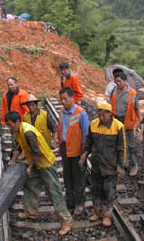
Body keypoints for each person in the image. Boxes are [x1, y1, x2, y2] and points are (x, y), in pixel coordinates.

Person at [6, 111, 73, 236]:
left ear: (17, 122)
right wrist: (12, 161)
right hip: (36, 163)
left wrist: (30, 167)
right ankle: (31, 211)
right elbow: (19, 147)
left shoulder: (28, 132)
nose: (10, 128)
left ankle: (66, 221)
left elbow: (36, 152)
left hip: (45, 163)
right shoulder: (18, 132)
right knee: (30, 185)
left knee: (54, 191)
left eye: (10, 125)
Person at [79, 102, 127, 226]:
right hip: (96, 164)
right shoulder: (94, 124)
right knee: (96, 189)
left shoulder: (118, 126)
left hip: (110, 166)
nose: (101, 118)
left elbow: (122, 148)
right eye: (99, 115)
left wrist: (121, 166)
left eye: (103, 115)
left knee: (109, 191)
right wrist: (84, 156)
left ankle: (107, 215)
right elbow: (89, 142)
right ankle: (97, 211)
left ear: (109, 114)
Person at [58, 87, 90, 215]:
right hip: (65, 148)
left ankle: (79, 203)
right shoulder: (62, 112)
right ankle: (70, 201)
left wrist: (84, 153)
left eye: (65, 99)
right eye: (61, 99)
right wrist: (57, 140)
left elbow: (86, 134)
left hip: (77, 149)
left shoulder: (81, 113)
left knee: (79, 178)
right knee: (67, 177)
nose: (63, 102)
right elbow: (60, 128)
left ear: (72, 98)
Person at [110, 71, 140, 176]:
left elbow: (136, 108)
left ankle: (134, 165)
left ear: (125, 81)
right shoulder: (114, 91)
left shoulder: (132, 93)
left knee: (131, 144)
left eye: (119, 81)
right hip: (116, 120)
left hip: (127, 120)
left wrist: (139, 121)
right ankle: (121, 164)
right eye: (116, 81)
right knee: (118, 143)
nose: (117, 83)